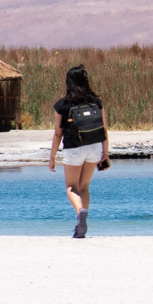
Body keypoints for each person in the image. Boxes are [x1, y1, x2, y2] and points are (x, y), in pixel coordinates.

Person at [48, 65, 109, 239]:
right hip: (95, 147)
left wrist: (52, 157)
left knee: (71, 187)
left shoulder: (62, 104)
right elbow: (104, 128)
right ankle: (82, 221)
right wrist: (105, 154)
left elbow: (58, 133)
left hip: (74, 147)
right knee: (84, 187)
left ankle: (79, 211)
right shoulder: (96, 102)